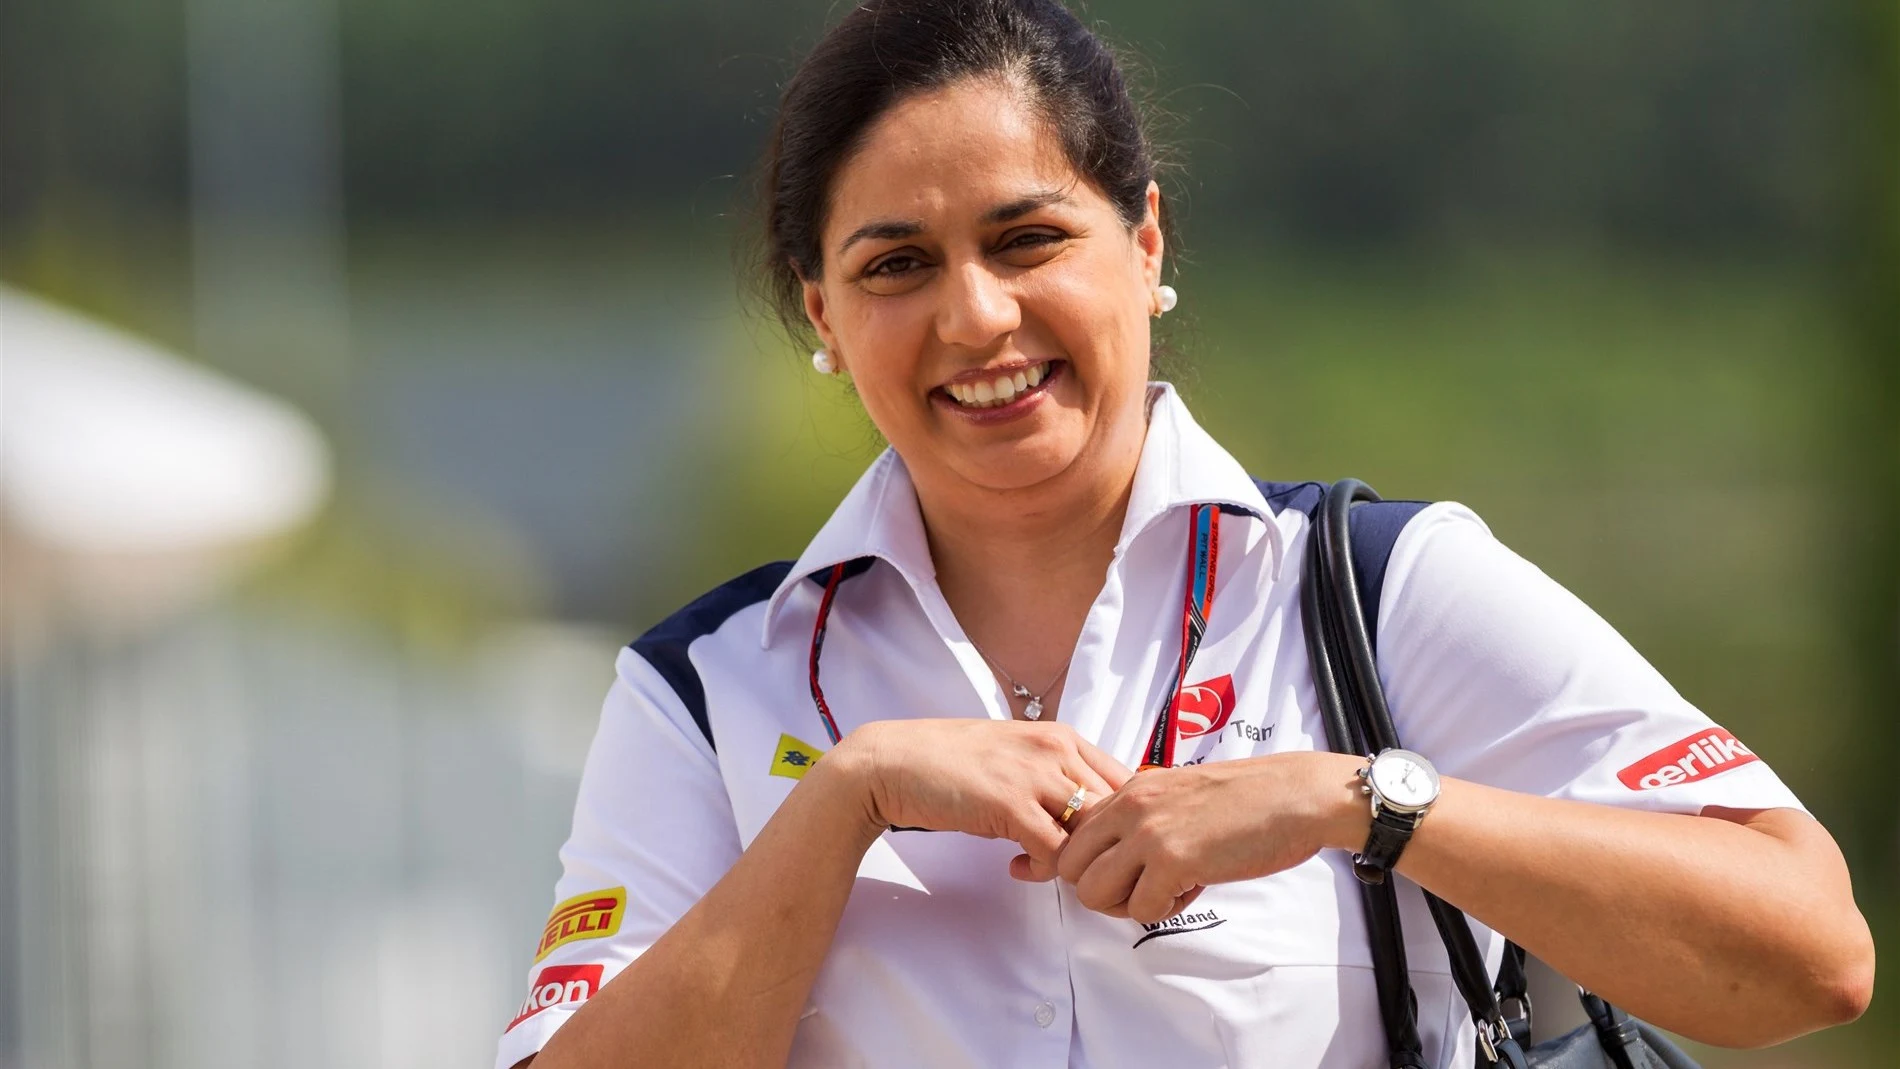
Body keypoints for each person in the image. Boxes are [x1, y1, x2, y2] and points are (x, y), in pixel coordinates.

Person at [496, 1, 1874, 1066]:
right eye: (896, 264)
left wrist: (1367, 802)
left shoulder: (1374, 591)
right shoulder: (703, 693)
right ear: (821, 317)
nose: (976, 317)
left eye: (1029, 239)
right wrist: (841, 804)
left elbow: (1810, 954)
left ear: (1146, 246)